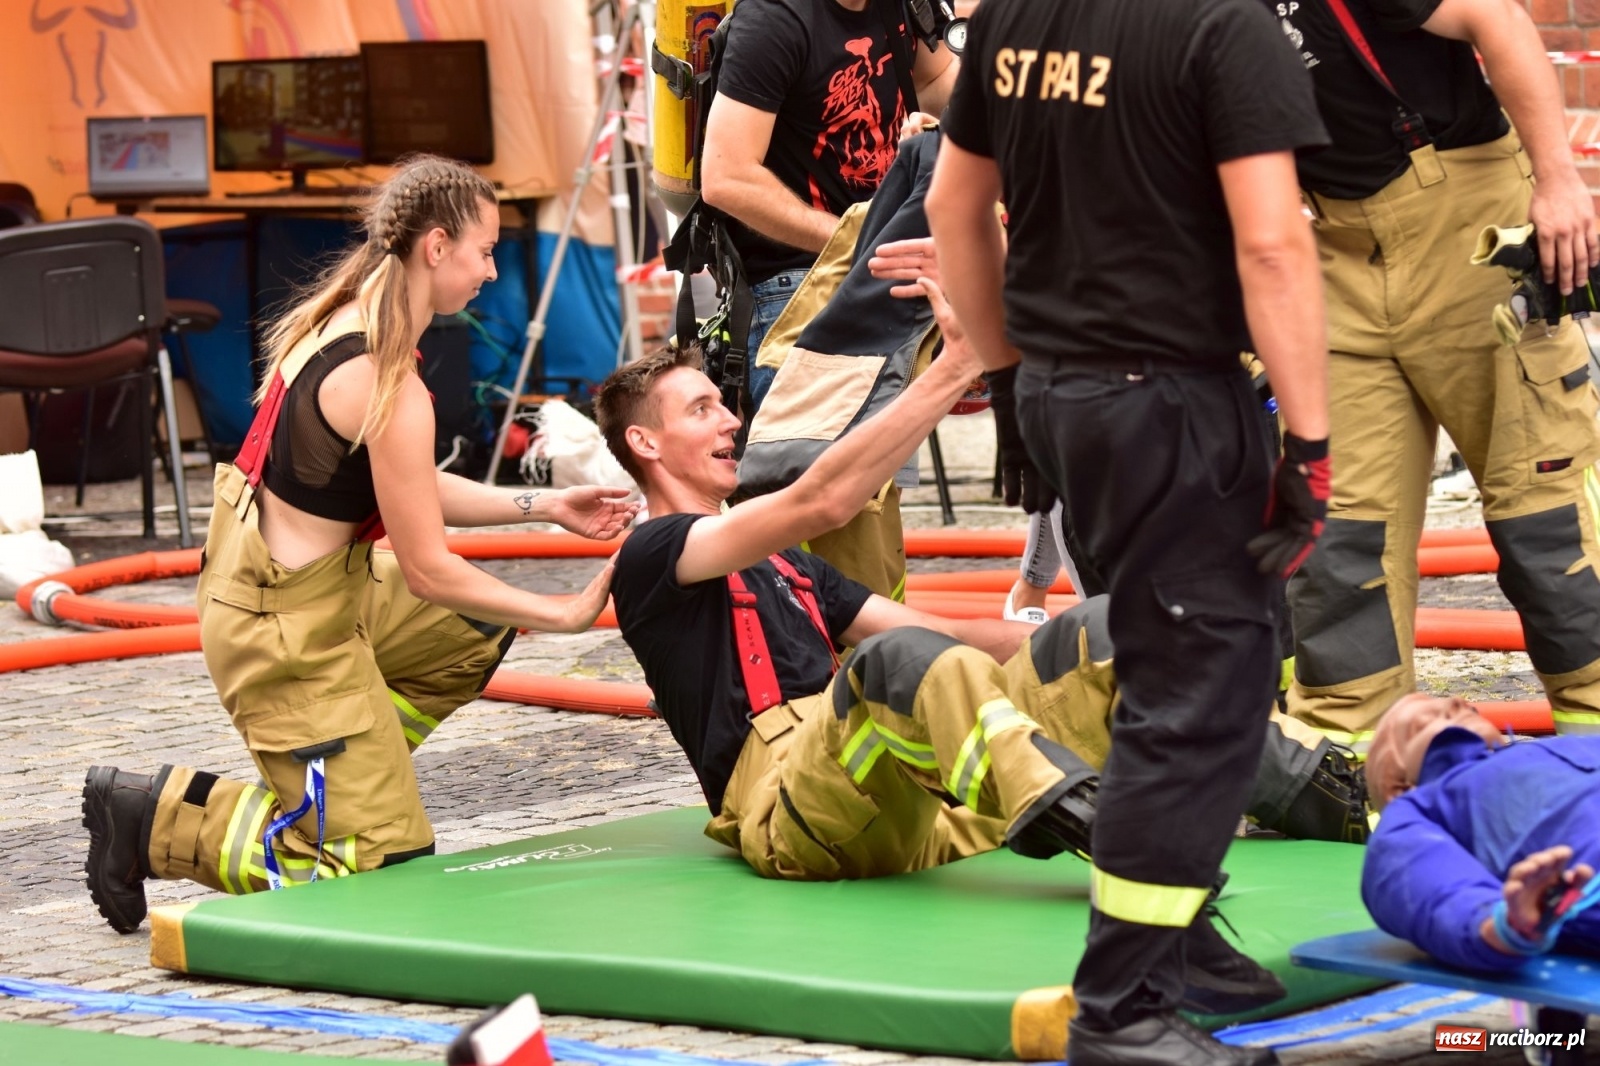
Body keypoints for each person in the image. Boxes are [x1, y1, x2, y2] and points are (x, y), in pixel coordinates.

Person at [593, 289, 1366, 1026]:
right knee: (896, 662)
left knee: (1107, 626)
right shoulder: (651, 555)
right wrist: (958, 364)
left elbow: (949, 636)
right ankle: (1113, 831)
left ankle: (1343, 795)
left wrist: (1090, 648)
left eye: (723, 403)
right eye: (702, 409)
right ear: (645, 443)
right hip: (793, 817)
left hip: (919, 806)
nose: (731, 418)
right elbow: (823, 502)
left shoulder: (788, 566)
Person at [80, 156, 638, 934]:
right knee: (376, 867)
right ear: (436, 247)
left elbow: (404, 482)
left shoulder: (346, 316)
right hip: (281, 635)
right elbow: (429, 567)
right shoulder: (387, 381)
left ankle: (353, 767)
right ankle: (157, 819)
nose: (490, 270)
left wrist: (545, 503)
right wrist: (565, 613)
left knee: (469, 626)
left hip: (307, 588)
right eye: (483, 251)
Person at [925, 0, 1331, 1062]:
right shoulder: (1224, 26)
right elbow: (1273, 245)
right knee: (1202, 691)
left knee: (1159, 671)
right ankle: (1124, 1006)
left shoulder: (1014, 16)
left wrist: (1008, 382)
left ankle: (1175, 938)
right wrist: (1310, 441)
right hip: (1170, 400)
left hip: (1066, 395)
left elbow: (953, 205)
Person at [1269, 0, 1600, 751]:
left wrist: (1558, 181)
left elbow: (1497, 18)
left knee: (1542, 511)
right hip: (1329, 250)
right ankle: (1349, 760)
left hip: (1468, 231)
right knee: (1341, 530)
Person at [700, 0, 958, 402]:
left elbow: (933, 80)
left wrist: (942, 123)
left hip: (882, 270)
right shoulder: (775, 18)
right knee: (825, 445)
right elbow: (727, 178)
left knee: (893, 441)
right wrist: (862, 240)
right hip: (799, 289)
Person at [1364, 694, 1600, 970]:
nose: (1456, 701)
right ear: (1398, 787)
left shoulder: (1564, 746)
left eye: (1467, 708)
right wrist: (1501, 926)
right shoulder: (1418, 808)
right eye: (1426, 721)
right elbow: (1415, 881)